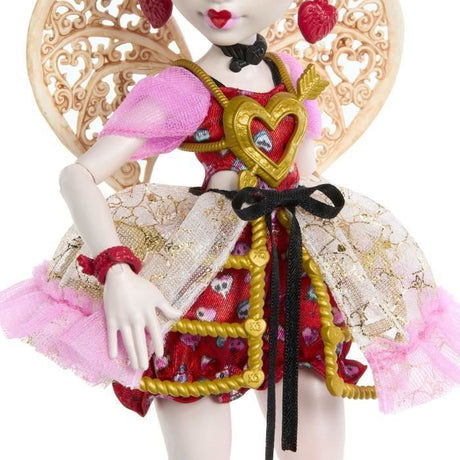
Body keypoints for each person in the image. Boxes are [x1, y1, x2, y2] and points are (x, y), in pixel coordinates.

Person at [1, 1, 460, 460]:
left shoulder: (294, 74)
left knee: (315, 429)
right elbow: (78, 175)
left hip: (294, 272)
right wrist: (117, 270)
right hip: (210, 276)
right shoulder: (184, 90)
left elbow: (307, 172)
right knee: (198, 429)